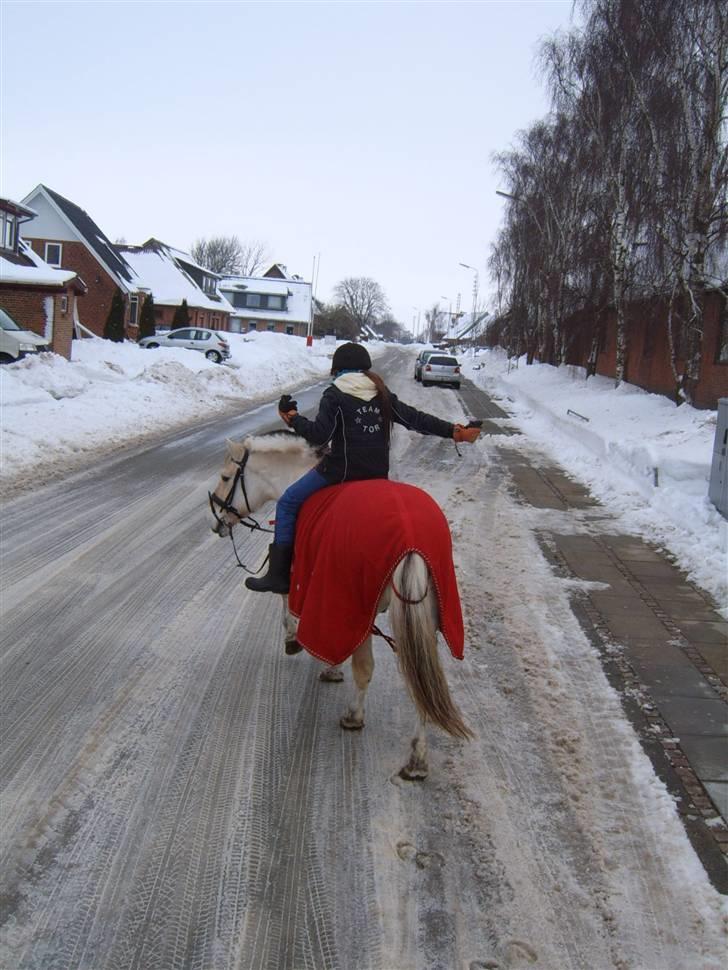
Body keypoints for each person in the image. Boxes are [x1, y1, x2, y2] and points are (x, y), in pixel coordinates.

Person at [245, 342, 481, 593]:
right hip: (377, 474)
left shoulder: (334, 394)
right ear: (365, 369)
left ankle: (278, 576)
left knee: (289, 502)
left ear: (338, 370)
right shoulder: (380, 393)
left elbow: (319, 437)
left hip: (341, 472)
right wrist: (455, 432)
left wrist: (294, 419)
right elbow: (415, 419)